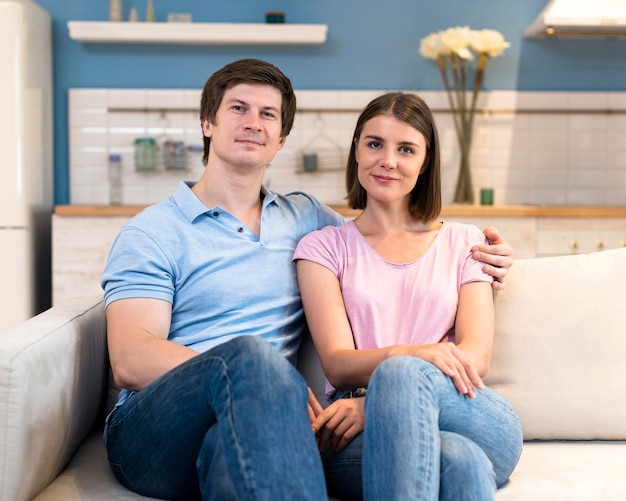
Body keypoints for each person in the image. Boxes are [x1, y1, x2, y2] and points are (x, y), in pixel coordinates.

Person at [101, 59, 514, 500]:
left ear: (280, 140)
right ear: (207, 122)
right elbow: (130, 359)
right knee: (253, 357)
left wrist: (491, 259)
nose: (252, 123)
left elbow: (379, 239)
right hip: (156, 430)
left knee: (457, 460)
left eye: (268, 115)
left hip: (258, 429)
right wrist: (268, 385)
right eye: (238, 108)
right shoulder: (154, 231)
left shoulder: (307, 219)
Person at [294, 92, 523, 501]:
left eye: (406, 149)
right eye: (375, 143)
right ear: (357, 151)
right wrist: (413, 355)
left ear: (425, 161)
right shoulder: (321, 248)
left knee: (402, 376)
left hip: (464, 407)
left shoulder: (465, 242)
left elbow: (474, 357)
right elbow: (339, 363)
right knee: (461, 462)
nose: (388, 160)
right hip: (353, 429)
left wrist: (383, 404)